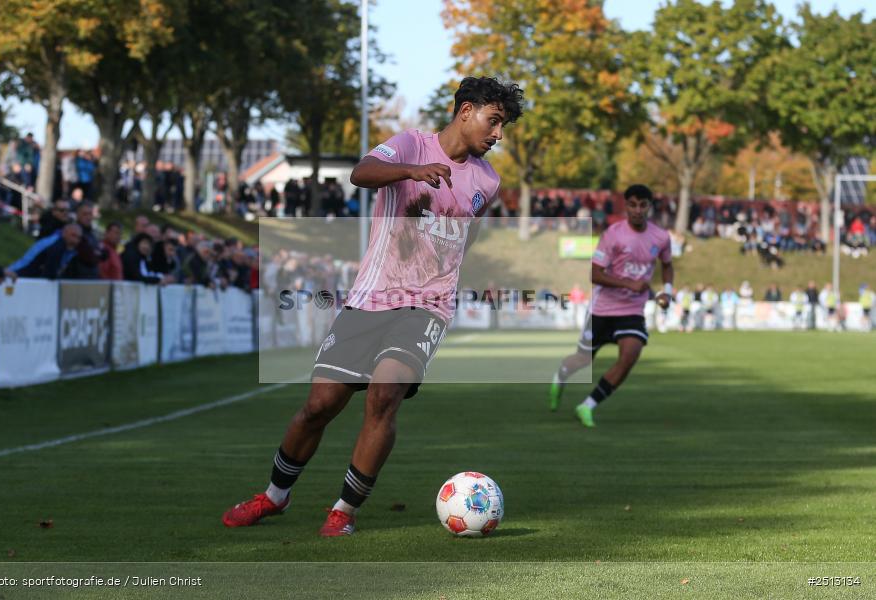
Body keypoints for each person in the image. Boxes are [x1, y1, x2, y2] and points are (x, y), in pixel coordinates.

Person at [222, 76, 523, 536]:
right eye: (494, 120)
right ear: (465, 110)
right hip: (371, 296)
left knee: (384, 397)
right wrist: (411, 172)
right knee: (320, 405)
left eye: (502, 125)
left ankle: (343, 510)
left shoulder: (487, 179)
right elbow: (360, 173)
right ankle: (274, 497)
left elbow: (469, 233)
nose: (498, 134)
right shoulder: (409, 144)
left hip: (428, 306)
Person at [548, 184, 674, 427]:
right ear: (626, 206)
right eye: (633, 205)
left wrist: (666, 292)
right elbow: (595, 274)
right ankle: (561, 376)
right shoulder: (613, 235)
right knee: (583, 360)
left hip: (632, 310)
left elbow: (667, 265)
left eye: (643, 205)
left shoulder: (661, 237)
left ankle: (587, 406)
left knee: (630, 355)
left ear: (650, 207)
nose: (638, 210)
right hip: (602, 309)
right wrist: (628, 283)